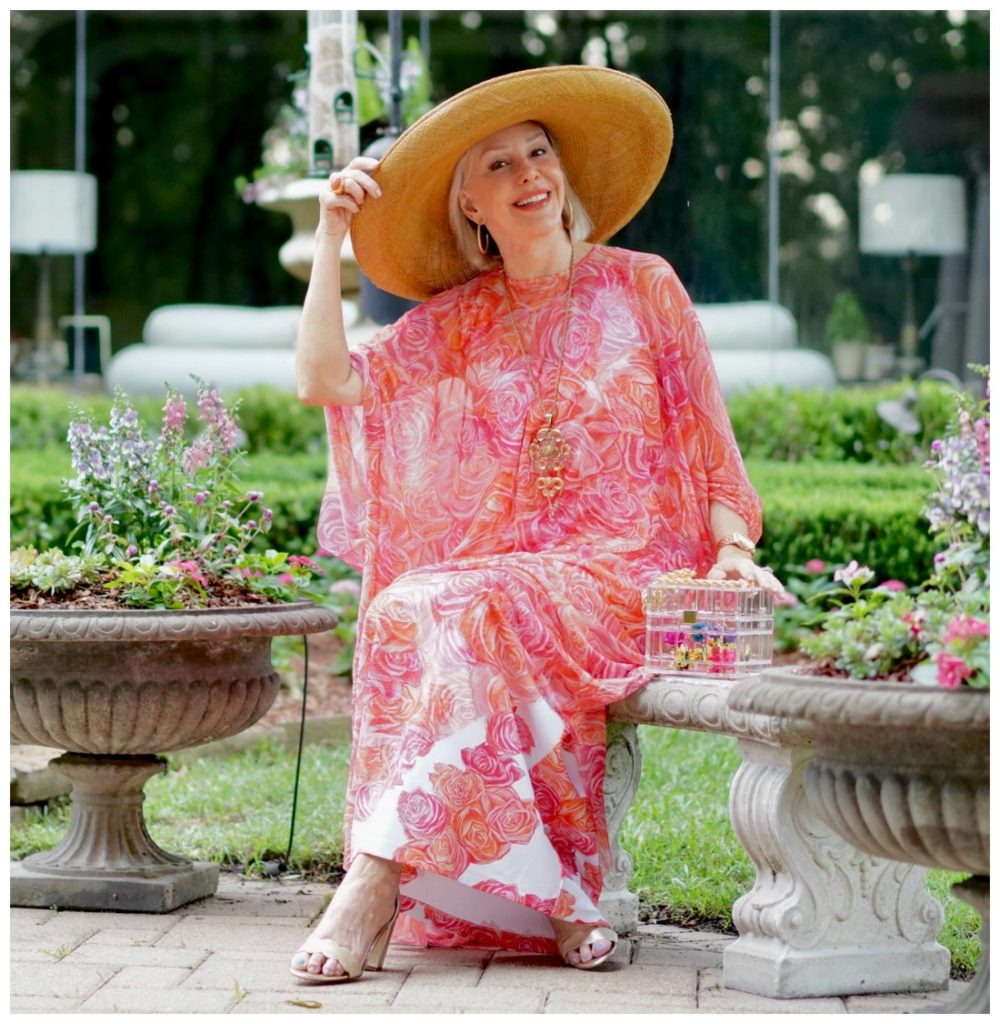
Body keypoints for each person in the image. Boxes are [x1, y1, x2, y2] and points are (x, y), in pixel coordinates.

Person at [290, 65, 783, 984]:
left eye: (540, 151)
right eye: (498, 163)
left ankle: (373, 881)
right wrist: (330, 237)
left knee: (464, 606)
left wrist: (733, 549)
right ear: (469, 205)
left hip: (628, 574)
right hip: (509, 588)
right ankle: (559, 895)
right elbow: (328, 383)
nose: (530, 173)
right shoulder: (460, 323)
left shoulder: (644, 288)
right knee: (412, 609)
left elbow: (709, 441)